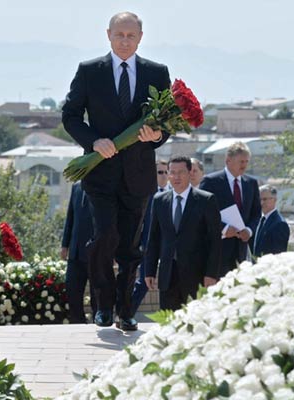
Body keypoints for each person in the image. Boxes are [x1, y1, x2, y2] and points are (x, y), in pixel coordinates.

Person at [61, 11, 171, 330]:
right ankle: (103, 305)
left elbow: (165, 123)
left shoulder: (157, 72)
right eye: (119, 35)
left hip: (138, 175)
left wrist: (158, 136)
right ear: (108, 34)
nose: (125, 41)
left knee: (130, 246)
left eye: (131, 36)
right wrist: (93, 141)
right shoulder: (89, 71)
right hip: (99, 173)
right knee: (104, 237)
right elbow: (70, 116)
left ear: (140, 37)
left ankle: (125, 312)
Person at [144, 155, 221, 310]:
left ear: (190, 173)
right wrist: (149, 270)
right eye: (172, 172)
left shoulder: (206, 200)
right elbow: (154, 238)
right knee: (168, 323)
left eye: (181, 172)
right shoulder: (159, 201)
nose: (176, 177)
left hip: (197, 275)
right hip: (168, 274)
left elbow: (215, 241)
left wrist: (211, 273)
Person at [200, 142, 261, 276]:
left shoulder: (251, 183)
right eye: (241, 161)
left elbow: (256, 213)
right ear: (228, 160)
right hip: (217, 250)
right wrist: (224, 229)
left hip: (241, 251)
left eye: (246, 161)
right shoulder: (210, 181)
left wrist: (249, 230)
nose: (244, 165)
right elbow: (201, 212)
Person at [130, 159, 170, 317]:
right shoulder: (146, 195)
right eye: (160, 172)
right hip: (149, 245)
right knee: (144, 283)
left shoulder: (173, 194)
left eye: (167, 172)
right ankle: (126, 313)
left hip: (168, 245)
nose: (164, 175)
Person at [61, 182, 97, 323]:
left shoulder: (104, 184)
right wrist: (65, 244)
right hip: (75, 252)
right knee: (72, 293)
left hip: (97, 252)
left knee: (98, 298)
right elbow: (70, 216)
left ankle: (99, 326)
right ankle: (79, 324)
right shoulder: (76, 187)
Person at [251, 185, 289, 257]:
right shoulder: (261, 219)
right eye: (259, 199)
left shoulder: (280, 224)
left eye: (265, 199)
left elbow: (278, 254)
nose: (261, 203)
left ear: (274, 200)